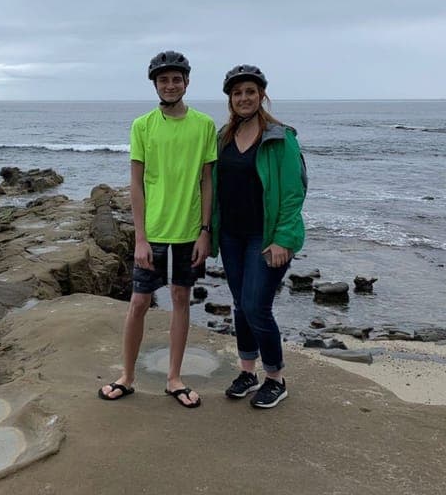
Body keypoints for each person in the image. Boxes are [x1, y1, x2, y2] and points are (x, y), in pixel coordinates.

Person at [98, 50, 217, 408]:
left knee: (181, 299)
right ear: (155, 84)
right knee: (139, 302)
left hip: (188, 232)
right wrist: (140, 238)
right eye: (163, 80)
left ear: (186, 82)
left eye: (176, 79)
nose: (170, 85)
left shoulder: (204, 125)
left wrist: (205, 231)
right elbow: (135, 184)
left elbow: (207, 182)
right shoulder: (142, 125)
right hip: (152, 233)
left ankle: (174, 378)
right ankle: (127, 376)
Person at [211, 64, 306, 409]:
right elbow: (214, 188)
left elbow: (294, 192)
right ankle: (247, 372)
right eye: (237, 93)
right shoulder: (223, 136)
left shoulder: (280, 137)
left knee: (256, 306)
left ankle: (276, 379)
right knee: (240, 305)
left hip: (265, 237)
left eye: (250, 91)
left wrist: (282, 237)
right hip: (231, 237)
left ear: (261, 95)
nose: (244, 98)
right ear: (230, 99)